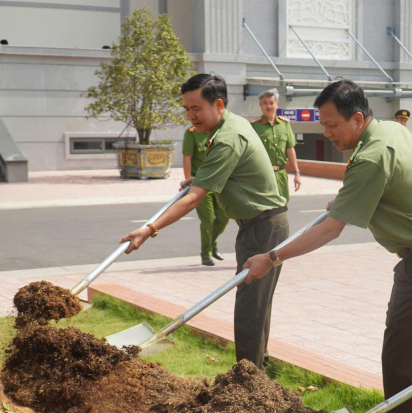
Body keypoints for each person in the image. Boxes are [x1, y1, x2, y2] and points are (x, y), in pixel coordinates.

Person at [242, 80, 412, 413]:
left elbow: (330, 229)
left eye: (333, 125)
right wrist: (349, 195)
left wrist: (271, 257)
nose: (327, 133)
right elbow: (385, 184)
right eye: (323, 124)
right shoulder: (389, 129)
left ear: (357, 119)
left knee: (400, 362)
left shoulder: (370, 156)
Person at [120, 74, 288, 369]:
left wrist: (150, 229)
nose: (190, 116)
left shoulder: (228, 137)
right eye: (186, 109)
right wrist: (202, 177)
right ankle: (256, 375)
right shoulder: (231, 125)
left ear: (218, 104)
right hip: (258, 225)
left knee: (251, 309)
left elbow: (193, 198)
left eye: (196, 108)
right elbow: (229, 172)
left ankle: (249, 383)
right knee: (255, 307)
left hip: (264, 228)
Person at [182, 126, 230, 266]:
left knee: (223, 217)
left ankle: (212, 243)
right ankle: (206, 253)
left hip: (219, 182)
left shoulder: (219, 131)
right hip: (200, 184)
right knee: (207, 220)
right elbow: (187, 157)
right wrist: (188, 180)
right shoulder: (192, 133)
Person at [251, 89, 302, 201]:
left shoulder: (285, 124)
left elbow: (290, 149)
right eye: (265, 103)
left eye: (271, 102)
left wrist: (296, 173)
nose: (268, 106)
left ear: (277, 104)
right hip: (262, 174)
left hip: (281, 174)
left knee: (282, 205)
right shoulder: (254, 126)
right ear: (260, 105)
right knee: (265, 207)